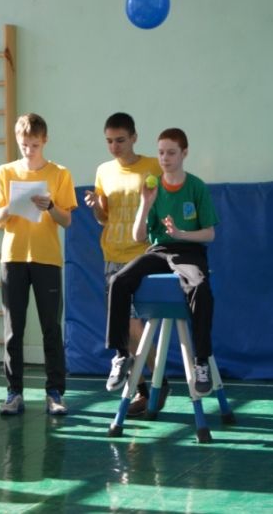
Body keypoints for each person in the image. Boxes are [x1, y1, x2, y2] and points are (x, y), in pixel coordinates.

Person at [105, 128, 219, 396]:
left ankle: (201, 361)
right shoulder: (152, 186)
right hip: (158, 250)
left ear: (184, 153)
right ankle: (121, 355)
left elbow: (210, 234)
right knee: (118, 281)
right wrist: (145, 203)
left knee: (200, 286)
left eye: (171, 153)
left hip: (189, 251)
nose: (165, 158)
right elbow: (138, 236)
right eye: (161, 153)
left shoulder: (196, 187)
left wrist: (181, 234)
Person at [0, 113, 78, 416]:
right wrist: (10, 206)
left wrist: (50, 206)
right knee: (14, 329)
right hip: (13, 258)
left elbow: (67, 220)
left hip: (46, 258)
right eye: (24, 145)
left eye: (35, 145)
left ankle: (55, 393)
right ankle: (14, 393)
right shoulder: (4, 173)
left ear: (44, 141)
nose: (29, 150)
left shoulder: (59, 173)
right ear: (18, 141)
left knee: (51, 327)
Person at [84, 112, 168, 416]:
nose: (114, 146)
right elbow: (103, 217)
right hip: (112, 255)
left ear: (134, 138)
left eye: (120, 140)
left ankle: (155, 381)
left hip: (142, 255)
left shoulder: (152, 167)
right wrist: (97, 207)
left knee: (133, 325)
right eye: (109, 141)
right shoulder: (104, 171)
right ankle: (149, 387)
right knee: (127, 327)